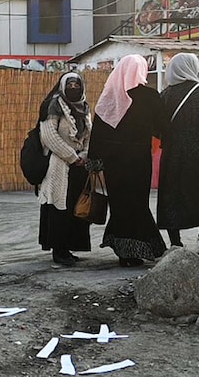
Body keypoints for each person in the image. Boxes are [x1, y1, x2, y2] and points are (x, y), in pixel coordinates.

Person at [89, 54, 170, 266]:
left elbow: (97, 133)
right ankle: (142, 247)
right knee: (138, 203)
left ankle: (126, 252)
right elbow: (163, 127)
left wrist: (94, 162)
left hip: (113, 164)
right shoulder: (150, 97)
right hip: (138, 161)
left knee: (119, 205)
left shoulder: (109, 97)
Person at [157, 53, 199, 253]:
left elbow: (156, 126)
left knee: (172, 194)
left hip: (172, 152)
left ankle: (175, 243)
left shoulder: (165, 95)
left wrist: (168, 139)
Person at [37, 72, 92, 267]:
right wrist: (71, 156)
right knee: (59, 208)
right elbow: (48, 136)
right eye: (71, 85)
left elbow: (88, 135)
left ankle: (69, 247)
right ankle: (58, 250)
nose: (74, 89)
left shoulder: (84, 107)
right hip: (59, 166)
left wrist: (84, 155)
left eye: (78, 85)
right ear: (63, 86)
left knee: (75, 209)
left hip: (79, 167)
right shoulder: (53, 106)